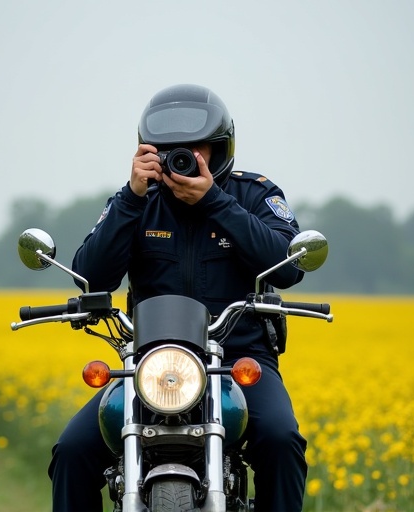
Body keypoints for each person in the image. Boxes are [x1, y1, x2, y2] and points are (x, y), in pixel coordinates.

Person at [48, 84, 308, 511]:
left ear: (221, 150)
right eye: (167, 150)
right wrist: (131, 200)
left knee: (282, 440)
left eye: (195, 149)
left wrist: (215, 203)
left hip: (239, 361)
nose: (182, 159)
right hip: (149, 365)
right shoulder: (134, 201)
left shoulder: (255, 195)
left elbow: (289, 263)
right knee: (71, 452)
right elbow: (91, 277)